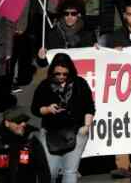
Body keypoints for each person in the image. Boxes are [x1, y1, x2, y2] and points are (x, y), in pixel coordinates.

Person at [31, 53, 94, 183]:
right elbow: (35, 108)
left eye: (64, 74)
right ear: (52, 72)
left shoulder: (80, 83)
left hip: (76, 132)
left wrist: (86, 127)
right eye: (57, 74)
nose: (61, 77)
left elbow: (89, 107)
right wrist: (48, 109)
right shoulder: (45, 85)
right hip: (50, 133)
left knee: (70, 171)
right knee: (50, 171)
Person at [0, 107, 52, 183]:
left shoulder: (31, 140)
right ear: (7, 123)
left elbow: (43, 169)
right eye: (18, 121)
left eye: (24, 121)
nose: (23, 124)